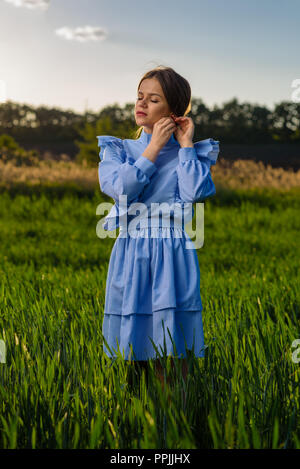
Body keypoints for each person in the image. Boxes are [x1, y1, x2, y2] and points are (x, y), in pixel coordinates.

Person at [97, 65, 219, 395]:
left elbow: (196, 193)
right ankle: (132, 416)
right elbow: (121, 190)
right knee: (131, 346)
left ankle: (174, 418)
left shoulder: (189, 153)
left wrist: (186, 144)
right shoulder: (118, 149)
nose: (142, 104)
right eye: (140, 97)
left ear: (173, 111)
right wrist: (151, 149)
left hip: (174, 252)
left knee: (172, 344)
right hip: (132, 252)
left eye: (153, 99)